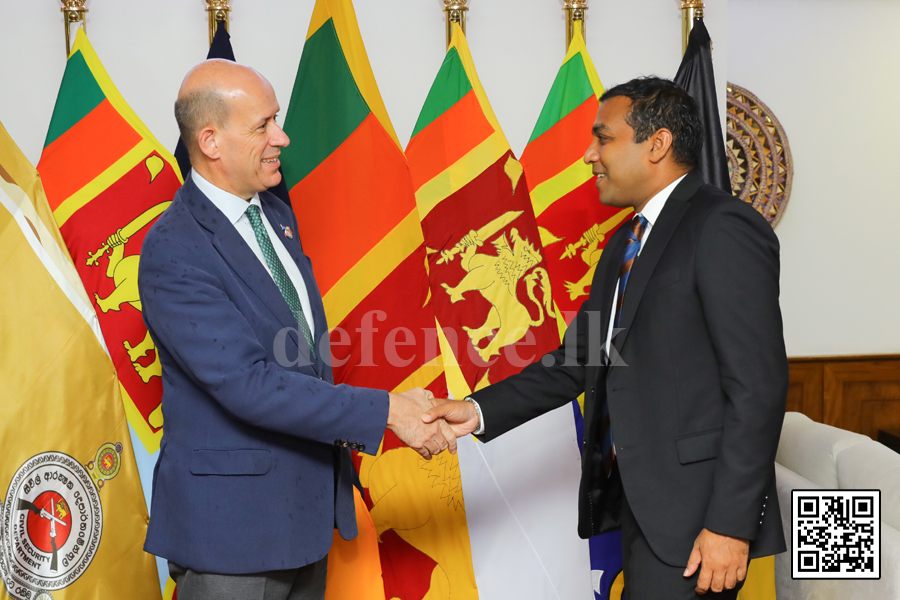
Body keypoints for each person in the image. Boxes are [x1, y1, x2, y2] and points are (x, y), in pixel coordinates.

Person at [425, 77, 788, 599]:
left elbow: (759, 386)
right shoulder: (625, 239)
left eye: (603, 138)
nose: (589, 155)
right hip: (644, 510)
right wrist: (475, 410)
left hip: (700, 522)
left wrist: (730, 525)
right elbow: (576, 360)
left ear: (657, 144)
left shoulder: (722, 225)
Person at [138, 59, 453, 600]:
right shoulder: (174, 250)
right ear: (211, 141)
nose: (281, 137)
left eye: (275, 119)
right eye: (263, 125)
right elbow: (249, 385)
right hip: (231, 538)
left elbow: (300, 356)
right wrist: (386, 412)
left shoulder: (275, 218)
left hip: (301, 521)